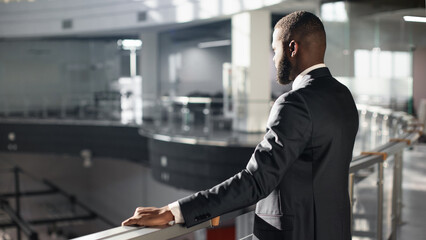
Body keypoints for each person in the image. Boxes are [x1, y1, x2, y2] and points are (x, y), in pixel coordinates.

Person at [122, 11, 359, 240]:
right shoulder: (343, 96)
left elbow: (256, 181)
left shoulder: (294, 103)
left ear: (292, 48)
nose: (275, 59)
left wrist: (174, 211)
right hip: (335, 230)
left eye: (275, 50)